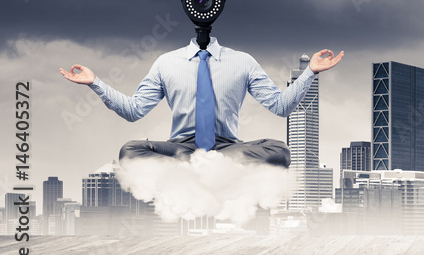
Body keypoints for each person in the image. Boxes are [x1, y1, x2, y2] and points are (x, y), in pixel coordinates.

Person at [59, 39, 344, 167]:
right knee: (130, 151)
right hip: (181, 146)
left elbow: (280, 106)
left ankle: (209, 164)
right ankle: (196, 164)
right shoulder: (166, 63)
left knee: (280, 151)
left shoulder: (242, 61)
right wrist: (95, 83)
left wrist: (310, 72)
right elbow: (134, 111)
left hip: (227, 147)